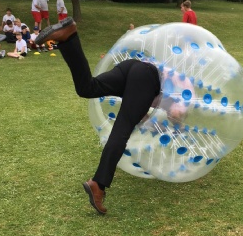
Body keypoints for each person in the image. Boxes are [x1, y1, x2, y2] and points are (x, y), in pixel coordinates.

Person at [35, 18, 164, 215]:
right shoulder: (182, 91)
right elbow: (175, 111)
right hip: (147, 78)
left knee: (88, 88)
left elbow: (142, 108)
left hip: (133, 67)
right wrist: (176, 117)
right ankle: (98, 184)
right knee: (122, 130)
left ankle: (68, 38)